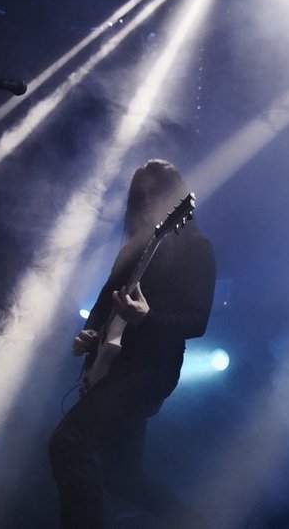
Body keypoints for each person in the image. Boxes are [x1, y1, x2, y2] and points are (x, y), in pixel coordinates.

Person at [49, 158, 216, 529]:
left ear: (176, 199)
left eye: (155, 193)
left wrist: (146, 319)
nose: (146, 202)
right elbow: (104, 302)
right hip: (114, 366)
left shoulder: (197, 249)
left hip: (151, 370)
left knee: (68, 443)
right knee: (123, 478)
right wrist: (90, 333)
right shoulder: (134, 249)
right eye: (139, 196)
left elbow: (198, 323)